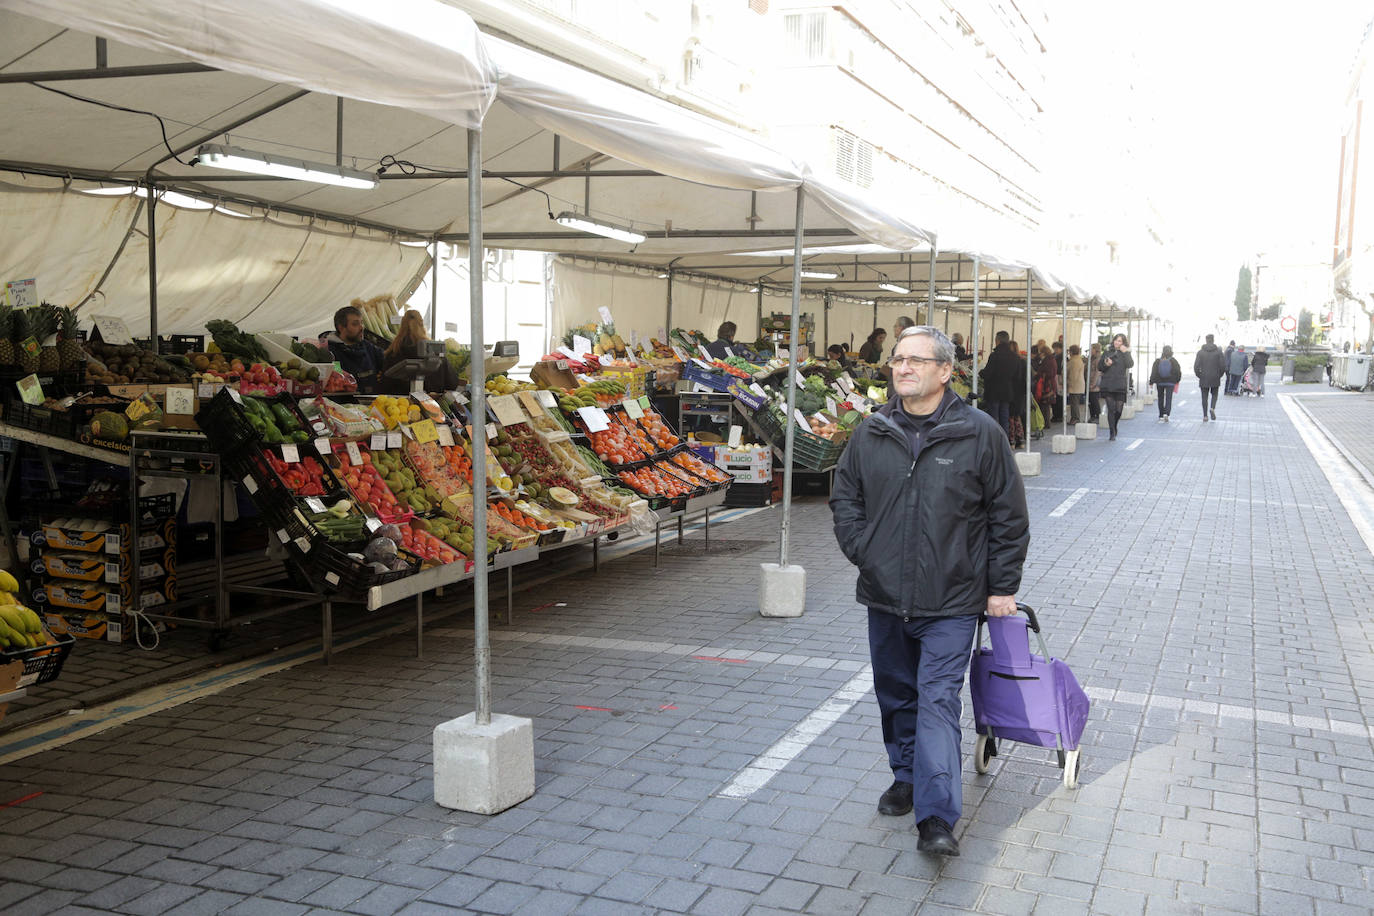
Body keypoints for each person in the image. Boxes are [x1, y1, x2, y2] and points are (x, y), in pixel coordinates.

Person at [830, 325, 1029, 858]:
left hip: (953, 600)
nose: (903, 368)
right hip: (885, 596)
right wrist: (865, 550)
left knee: (937, 700)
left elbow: (1008, 516)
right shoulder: (871, 432)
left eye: (917, 360)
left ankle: (937, 815)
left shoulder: (980, 433)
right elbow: (845, 497)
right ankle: (906, 776)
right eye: (898, 359)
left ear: (946, 371)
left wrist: (1001, 586)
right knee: (896, 695)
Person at [379, 309, 460, 395]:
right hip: (433, 404)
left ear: (402, 325)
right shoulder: (435, 352)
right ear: (422, 324)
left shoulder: (393, 352)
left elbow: (385, 385)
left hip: (401, 405)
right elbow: (452, 383)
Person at [327, 305, 387, 395]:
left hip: (374, 404)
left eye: (361, 323)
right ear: (341, 327)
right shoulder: (331, 353)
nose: (361, 327)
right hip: (347, 405)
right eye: (355, 324)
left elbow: (388, 360)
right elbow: (339, 381)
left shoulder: (368, 347)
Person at [979, 330, 1020, 436]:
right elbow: (1016, 375)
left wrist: (980, 372)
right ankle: (1004, 440)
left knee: (993, 418)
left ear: (997, 341)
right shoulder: (1014, 357)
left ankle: (994, 441)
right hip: (1007, 391)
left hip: (993, 391)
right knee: (1004, 417)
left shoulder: (995, 355)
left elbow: (988, 373)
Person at [1098, 333, 1133, 441]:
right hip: (1108, 384)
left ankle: (1114, 425)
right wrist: (1106, 364)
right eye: (1116, 340)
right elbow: (1100, 367)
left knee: (1119, 410)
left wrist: (1126, 352)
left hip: (1120, 385)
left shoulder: (1125, 353)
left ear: (1123, 343)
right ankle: (1112, 432)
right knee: (1111, 409)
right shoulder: (1107, 352)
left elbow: (1130, 364)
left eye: (1120, 341)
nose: (1117, 343)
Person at [1193, 333, 1226, 421]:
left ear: (1206, 340)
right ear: (1213, 340)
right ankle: (1212, 408)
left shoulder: (1200, 352)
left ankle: (1205, 416)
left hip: (1204, 377)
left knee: (1204, 397)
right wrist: (1219, 375)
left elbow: (1196, 366)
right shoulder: (1218, 352)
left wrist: (1199, 375)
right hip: (1215, 376)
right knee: (1214, 394)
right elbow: (1223, 366)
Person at [1148, 345, 1181, 422]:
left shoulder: (1158, 361)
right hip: (1170, 382)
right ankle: (1167, 413)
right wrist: (1177, 380)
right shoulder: (1174, 361)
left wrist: (1151, 382)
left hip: (1160, 383)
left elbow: (1154, 372)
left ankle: (1161, 415)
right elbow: (1178, 372)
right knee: (1169, 398)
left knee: (1161, 398)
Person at [1033, 343, 1058, 433]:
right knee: (1045, 405)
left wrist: (1038, 374)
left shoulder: (1047, 361)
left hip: (1047, 385)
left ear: (1044, 353)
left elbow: (1048, 373)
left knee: (1045, 404)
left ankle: (1045, 422)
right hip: (1049, 384)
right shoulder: (1051, 359)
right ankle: (1045, 422)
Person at [1066, 345, 1086, 423]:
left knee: (1074, 403)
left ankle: (1075, 418)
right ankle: (1074, 418)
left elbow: (1073, 375)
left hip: (1075, 385)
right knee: (1074, 403)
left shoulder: (1073, 361)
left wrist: (1069, 383)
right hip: (1078, 384)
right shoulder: (1078, 360)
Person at [1088, 342, 1103, 422]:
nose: (1090, 350)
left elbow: (1097, 373)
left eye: (1092, 349)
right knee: (1090, 400)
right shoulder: (1092, 358)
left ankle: (1097, 416)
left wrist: (1093, 384)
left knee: (1094, 400)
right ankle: (1092, 415)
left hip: (1095, 384)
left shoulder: (1098, 359)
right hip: (1090, 382)